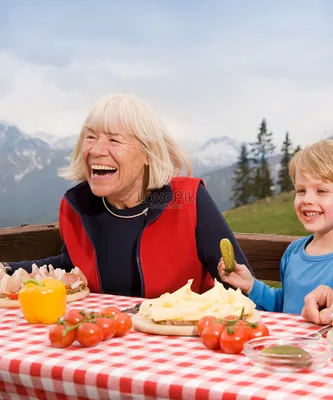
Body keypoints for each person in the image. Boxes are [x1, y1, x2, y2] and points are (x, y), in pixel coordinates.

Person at [0, 93, 254, 299]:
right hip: (104, 345)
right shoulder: (79, 205)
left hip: (181, 343)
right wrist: (8, 269)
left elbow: (239, 286)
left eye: (114, 140)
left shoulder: (185, 200)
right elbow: (72, 262)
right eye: (90, 137)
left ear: (147, 154)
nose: (97, 150)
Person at [218, 139, 333, 315]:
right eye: (301, 190)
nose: (307, 199)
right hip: (290, 342)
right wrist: (250, 285)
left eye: (321, 191)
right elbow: (283, 303)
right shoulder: (293, 253)